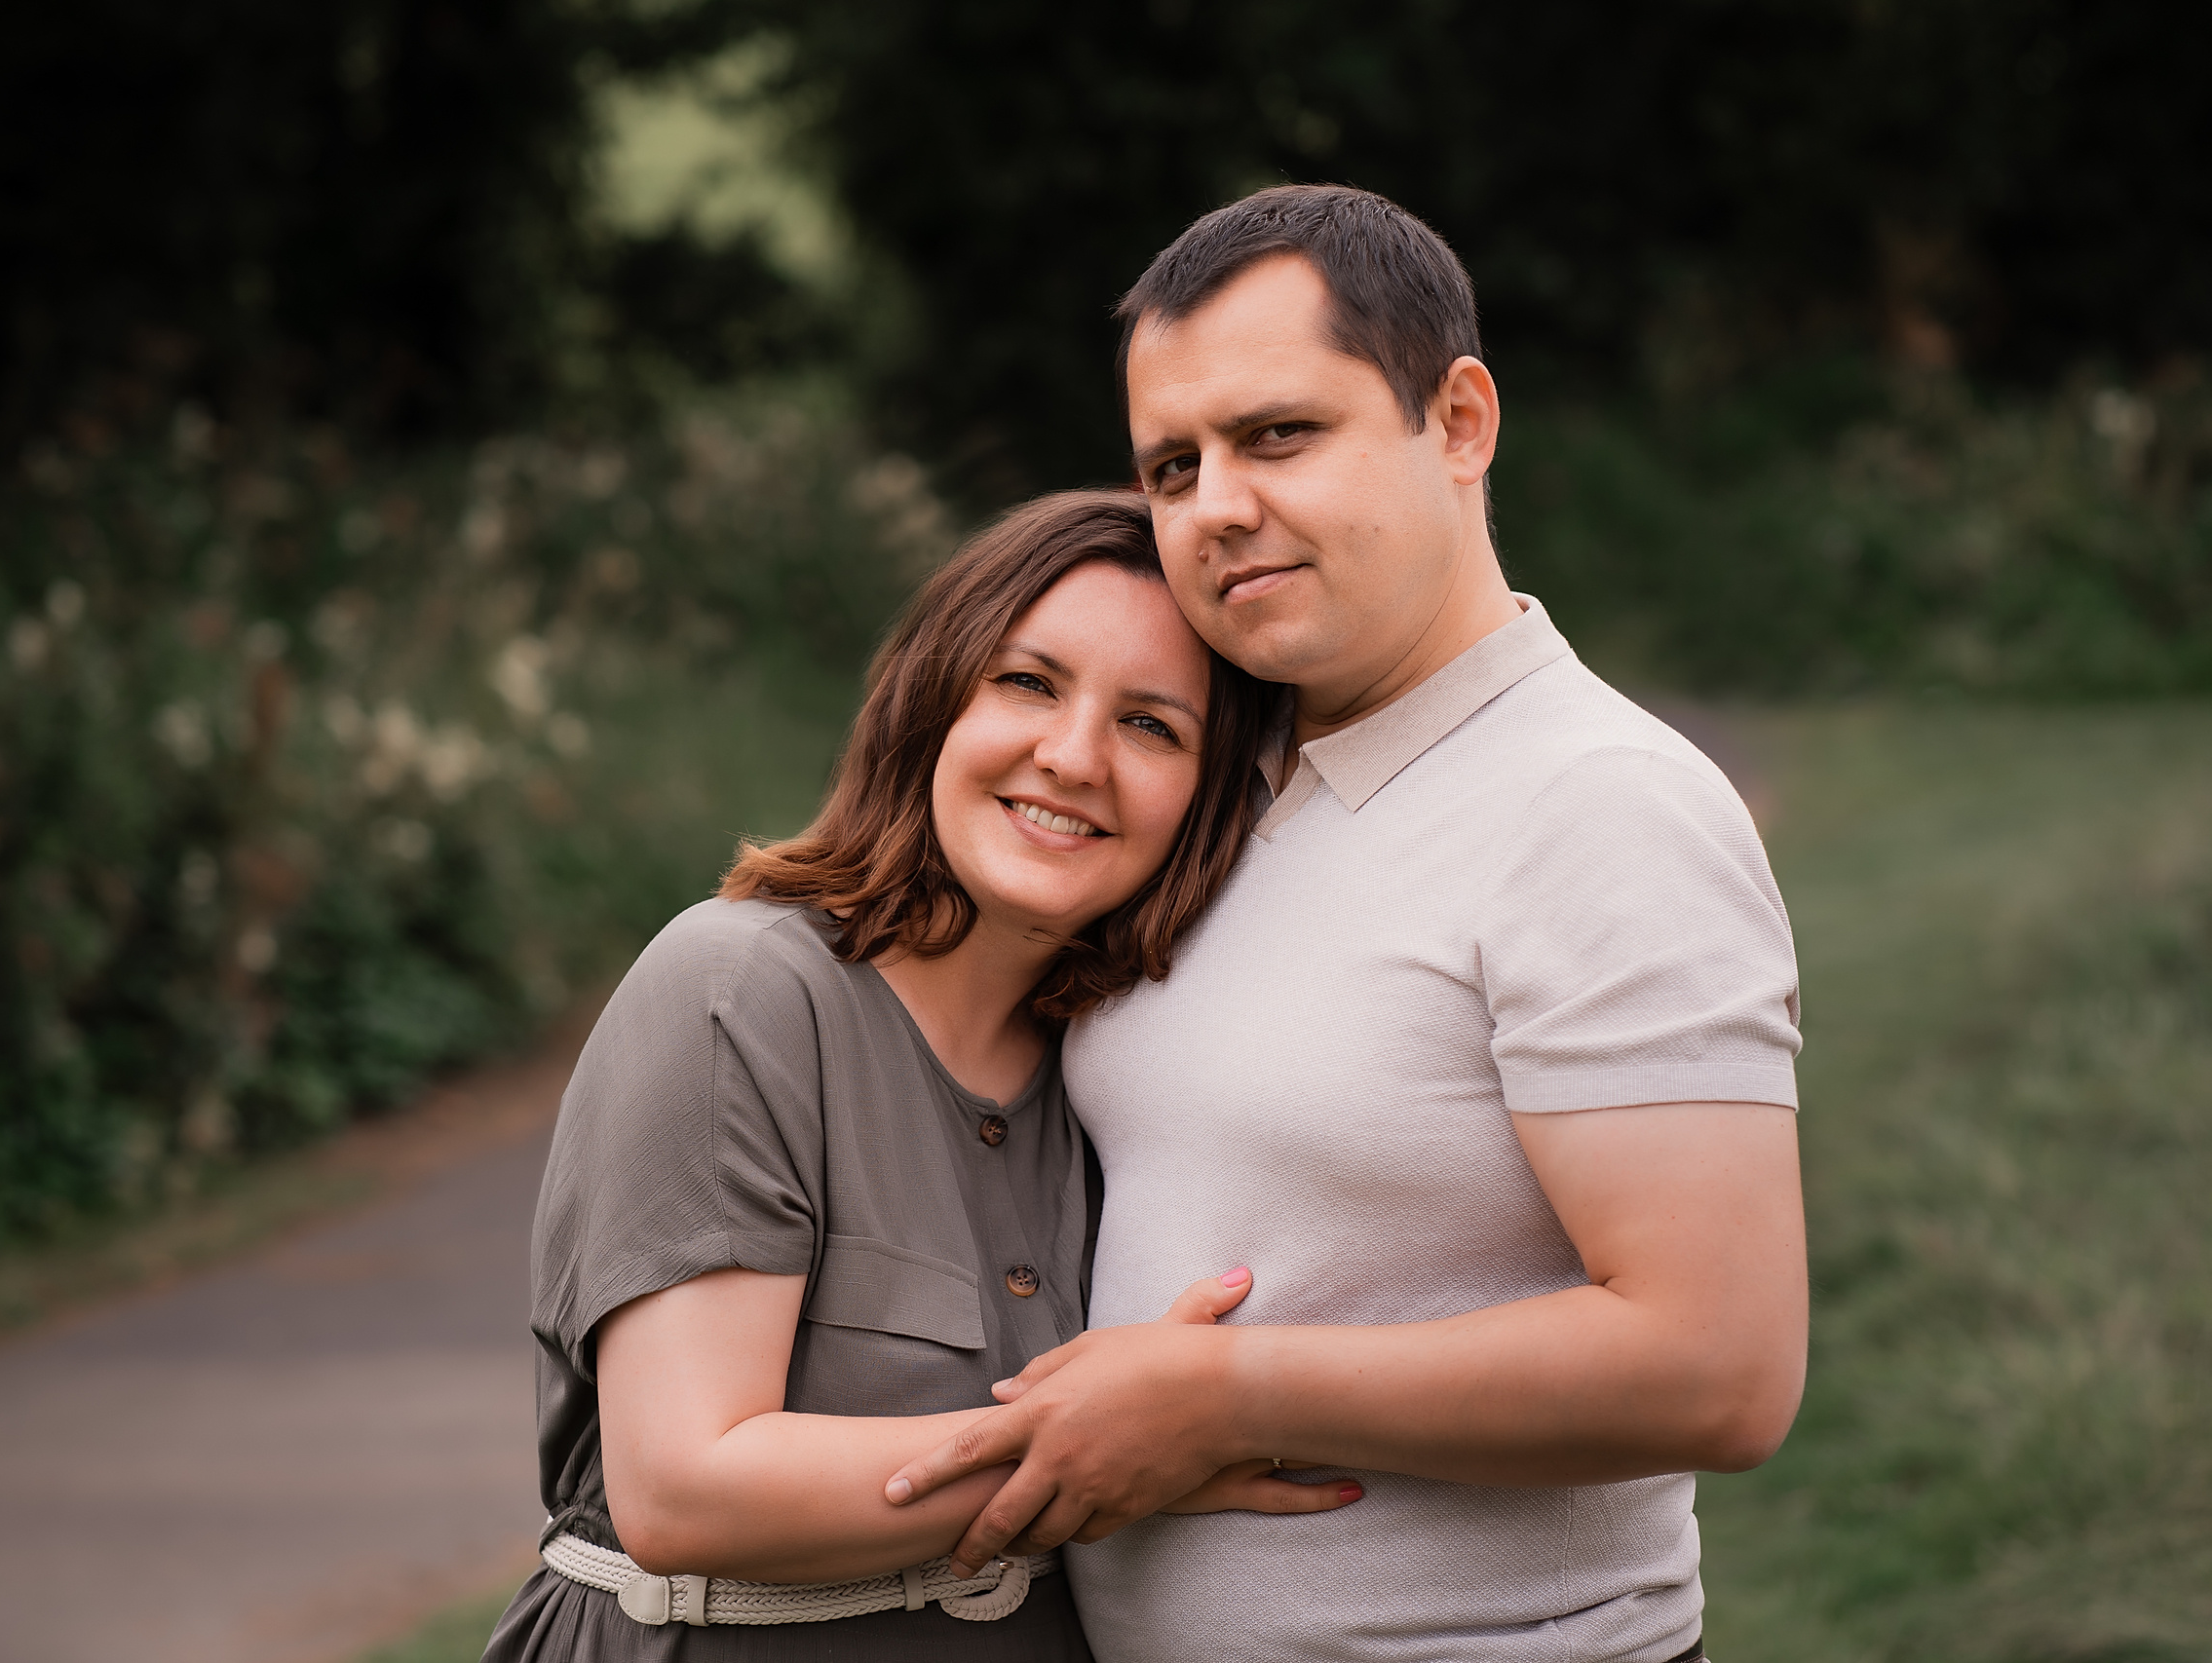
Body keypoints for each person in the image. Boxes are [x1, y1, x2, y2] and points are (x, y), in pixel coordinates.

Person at [880, 186, 1810, 1663]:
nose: (1215, 506)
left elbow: (1720, 1364)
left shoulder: (1601, 805)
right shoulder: (1214, 785)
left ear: (1458, 421)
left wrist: (1225, 1394)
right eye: (1172, 466)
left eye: (1278, 436)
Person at [481, 489, 1357, 1663]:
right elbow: (686, 1488)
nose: (1073, 756)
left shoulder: (1119, 1068)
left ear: (1202, 804)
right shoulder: (739, 989)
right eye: (1028, 683)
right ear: (932, 700)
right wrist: (1118, 1452)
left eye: (1153, 727)